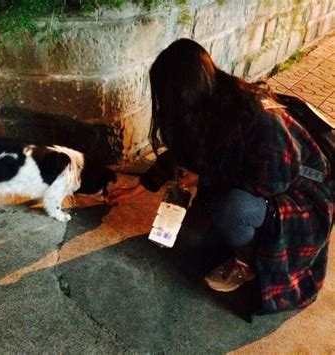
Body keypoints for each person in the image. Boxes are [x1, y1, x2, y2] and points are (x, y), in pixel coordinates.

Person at [107, 38, 333, 314]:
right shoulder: (208, 102)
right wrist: (143, 185)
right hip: (259, 184)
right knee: (191, 241)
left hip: (300, 196)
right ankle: (242, 242)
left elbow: (274, 182)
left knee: (231, 209)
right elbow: (184, 151)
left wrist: (204, 178)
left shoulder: (257, 116)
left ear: (188, 94)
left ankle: (248, 265)